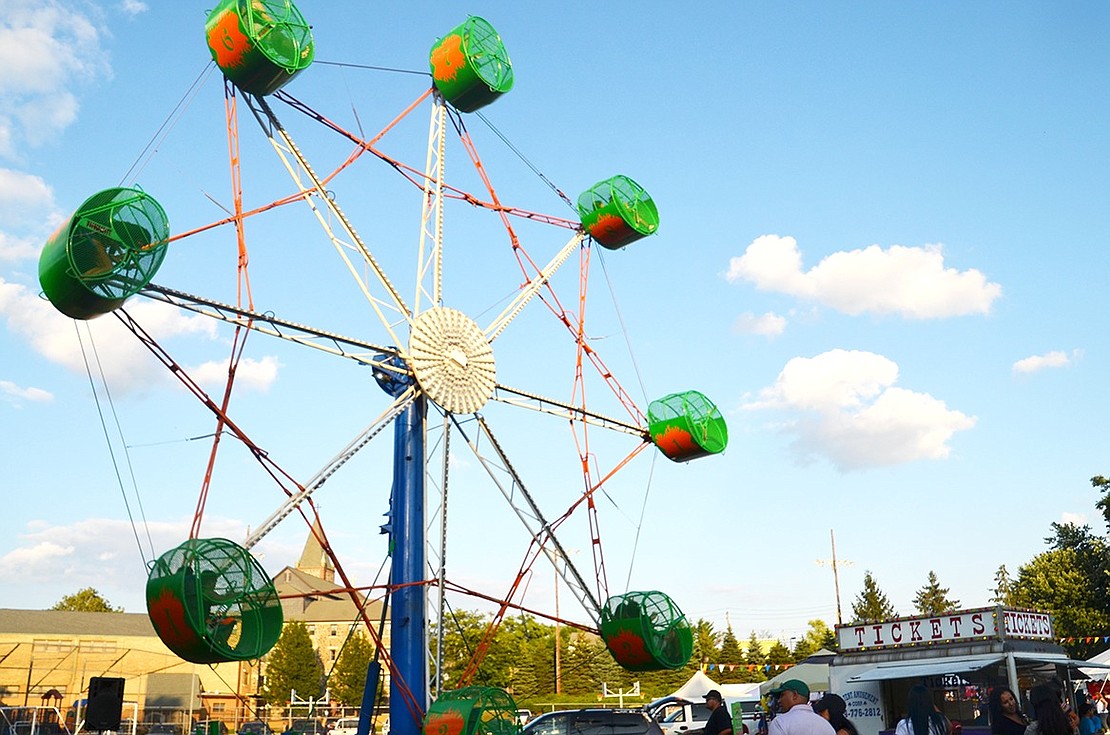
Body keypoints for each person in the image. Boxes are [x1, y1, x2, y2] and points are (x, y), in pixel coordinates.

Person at [767, 680, 835, 735]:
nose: (779, 700)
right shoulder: (825, 725)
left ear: (795, 695)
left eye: (782, 695)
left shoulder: (780, 722)